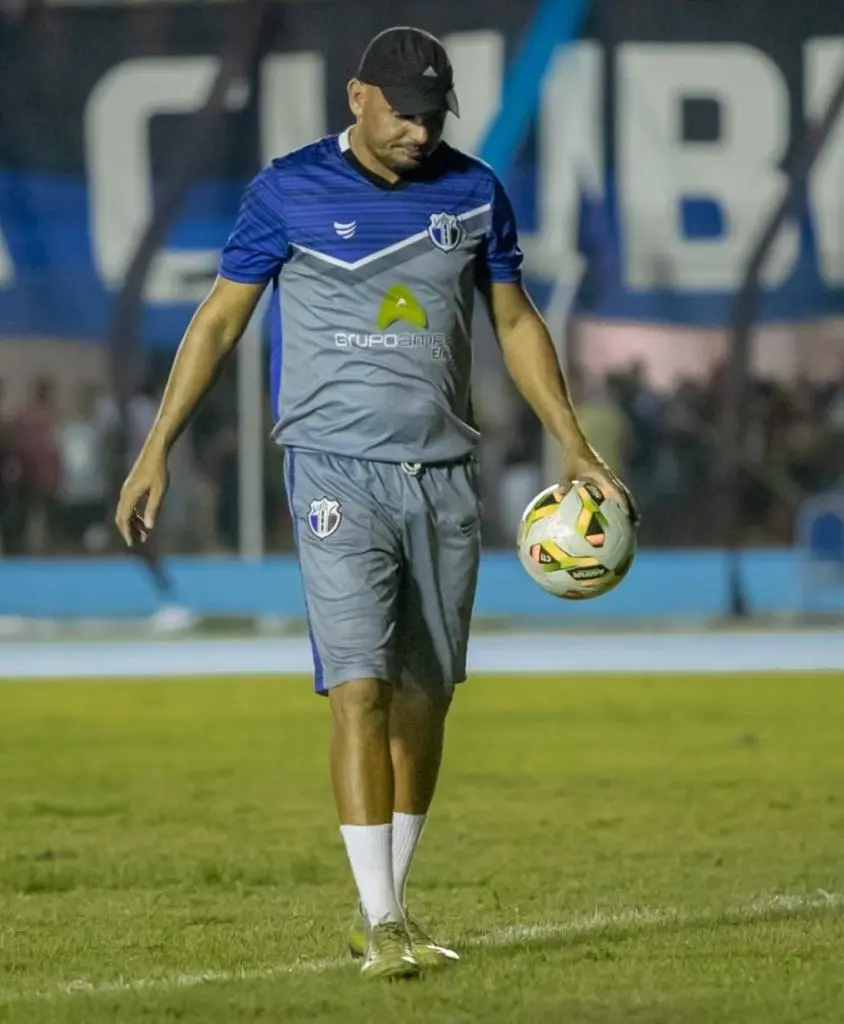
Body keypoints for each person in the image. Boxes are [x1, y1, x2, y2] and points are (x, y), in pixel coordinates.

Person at [115, 26, 635, 981]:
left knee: (426, 700)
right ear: (358, 97)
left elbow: (514, 319)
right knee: (358, 688)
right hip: (334, 472)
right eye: (404, 113)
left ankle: (385, 907)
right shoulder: (287, 191)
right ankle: (385, 920)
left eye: (434, 116)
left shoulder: (474, 193)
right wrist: (156, 449)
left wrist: (572, 439)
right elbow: (220, 317)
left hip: (443, 478)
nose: (420, 133)